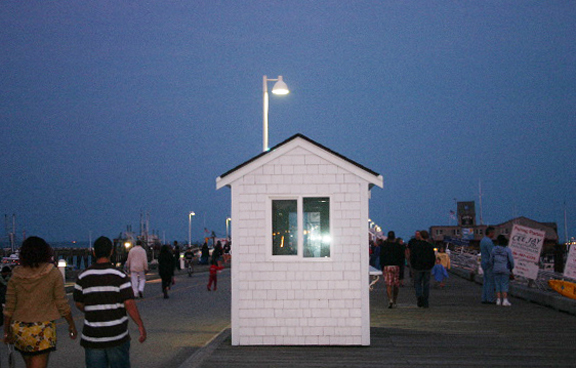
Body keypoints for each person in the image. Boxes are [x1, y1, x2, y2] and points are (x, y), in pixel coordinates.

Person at [3, 236, 77, 368]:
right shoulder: (52, 273)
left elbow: (9, 306)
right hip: (43, 328)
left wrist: (7, 330)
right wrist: (71, 324)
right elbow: (62, 304)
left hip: (20, 329)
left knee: (29, 364)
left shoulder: (16, 276)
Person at [74, 236, 146, 367]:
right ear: (111, 252)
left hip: (92, 338)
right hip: (117, 336)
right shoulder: (120, 276)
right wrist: (140, 325)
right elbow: (129, 303)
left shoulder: (83, 276)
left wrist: (91, 309)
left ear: (94, 252)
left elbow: (78, 302)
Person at [409, 230, 436, 308]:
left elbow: (412, 257)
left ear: (420, 236)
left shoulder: (415, 246)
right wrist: (431, 265)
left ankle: (419, 296)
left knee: (417, 283)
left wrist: (413, 265)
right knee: (426, 284)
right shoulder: (430, 246)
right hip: (427, 268)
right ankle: (426, 301)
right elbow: (432, 258)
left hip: (418, 267)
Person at [379, 231, 405, 308]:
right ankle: (395, 300)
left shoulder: (384, 246)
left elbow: (382, 257)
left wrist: (382, 266)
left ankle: (390, 299)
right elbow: (401, 258)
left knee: (388, 284)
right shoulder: (398, 246)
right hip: (396, 266)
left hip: (387, 266)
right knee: (396, 284)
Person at [490, 235, 515, 307]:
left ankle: (498, 300)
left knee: (497, 284)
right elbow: (511, 261)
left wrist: (493, 266)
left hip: (496, 268)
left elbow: (491, 260)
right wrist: (511, 268)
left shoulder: (494, 249)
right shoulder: (507, 250)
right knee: (504, 284)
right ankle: (505, 300)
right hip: (505, 268)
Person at [480, 226, 496, 304]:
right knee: (490, 281)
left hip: (483, 262)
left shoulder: (482, 240)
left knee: (486, 281)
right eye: (493, 232)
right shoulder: (489, 242)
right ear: (490, 233)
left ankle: (484, 297)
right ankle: (490, 298)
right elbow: (492, 254)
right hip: (489, 263)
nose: (493, 234)